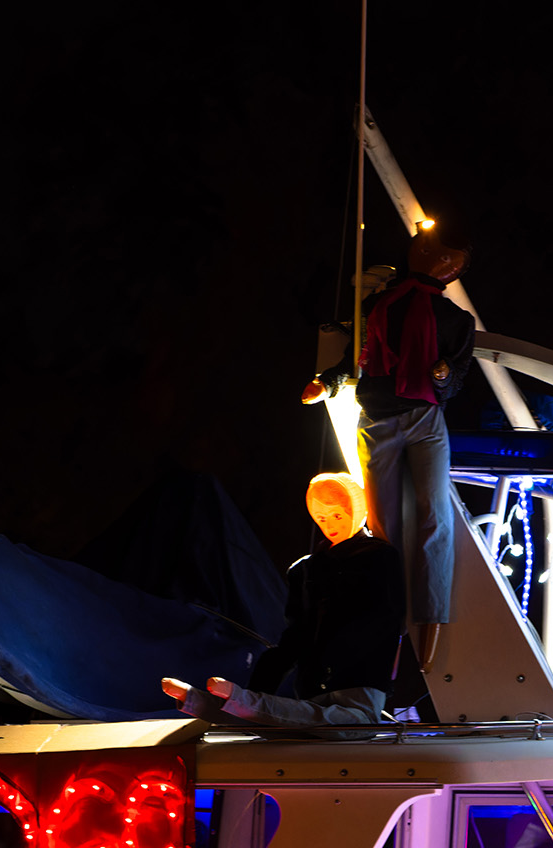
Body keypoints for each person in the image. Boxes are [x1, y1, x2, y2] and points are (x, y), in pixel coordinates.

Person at [304, 225, 474, 671]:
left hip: (423, 417)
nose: (441, 261)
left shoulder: (455, 319)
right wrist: (330, 379)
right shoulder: (378, 304)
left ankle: (430, 618)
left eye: (447, 256)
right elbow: (356, 356)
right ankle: (391, 620)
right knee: (383, 527)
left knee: (434, 515)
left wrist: (440, 376)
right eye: (436, 252)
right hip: (378, 417)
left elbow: (456, 377)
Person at [163, 473, 404, 728]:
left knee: (349, 725)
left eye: (337, 516)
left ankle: (242, 706)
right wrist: (258, 689)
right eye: (321, 518)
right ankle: (239, 705)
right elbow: (294, 638)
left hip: (360, 679)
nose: (330, 525)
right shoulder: (305, 570)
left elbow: (386, 620)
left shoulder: (380, 557)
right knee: (312, 724)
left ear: (357, 511)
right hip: (313, 685)